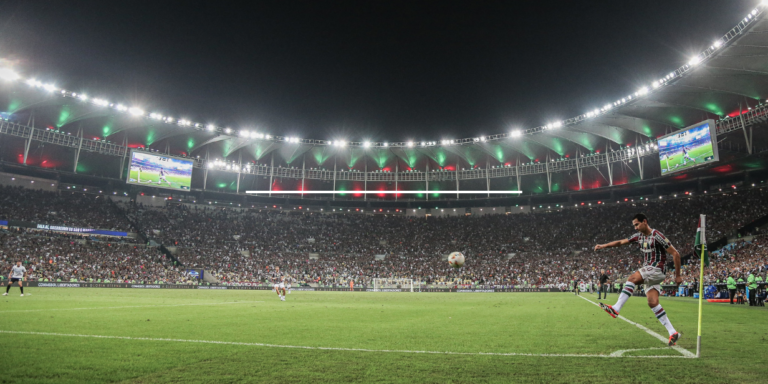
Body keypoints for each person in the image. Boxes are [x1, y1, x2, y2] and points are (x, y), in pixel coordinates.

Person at [594, 213, 682, 346]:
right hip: (650, 272)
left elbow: (675, 253)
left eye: (637, 224)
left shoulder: (657, 236)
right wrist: (603, 246)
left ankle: (616, 308)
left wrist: (678, 275)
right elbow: (620, 242)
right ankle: (673, 332)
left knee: (632, 278)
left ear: (645, 222)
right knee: (652, 302)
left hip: (657, 268)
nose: (635, 227)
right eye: (634, 225)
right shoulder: (639, 237)